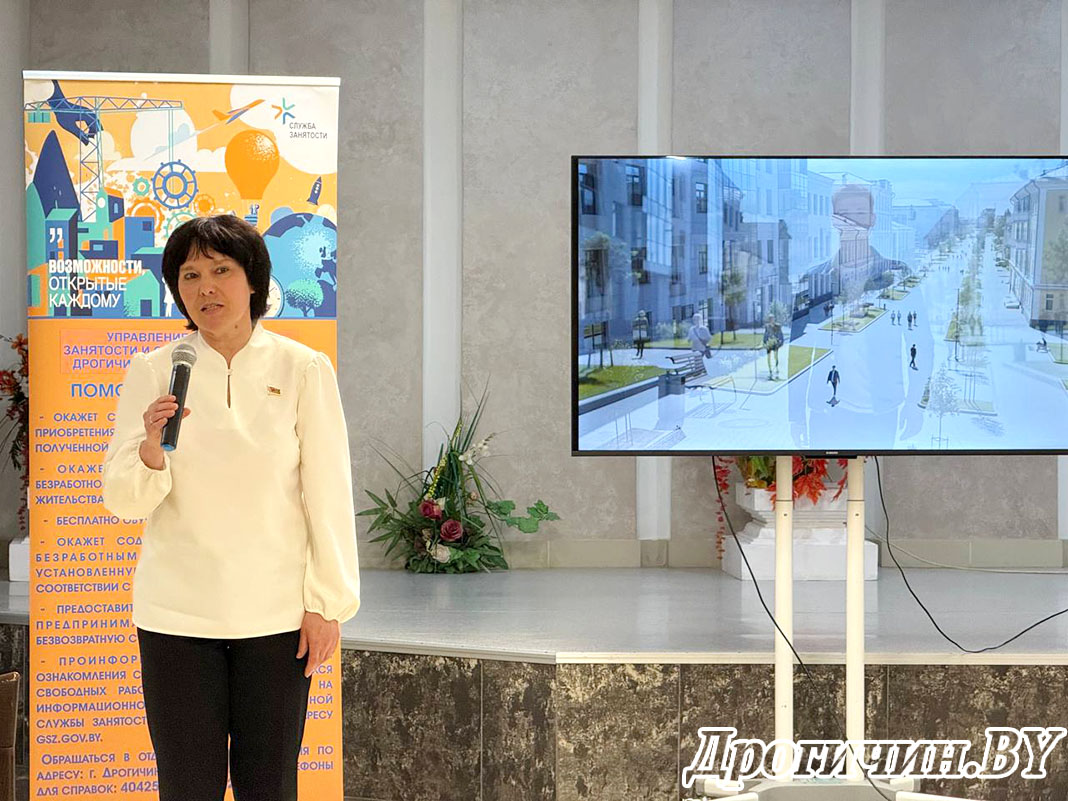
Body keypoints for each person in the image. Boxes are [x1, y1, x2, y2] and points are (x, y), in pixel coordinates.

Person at [102, 215, 360, 801]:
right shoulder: (154, 371)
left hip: (275, 616)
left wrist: (328, 603)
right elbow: (123, 501)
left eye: (221, 270)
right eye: (190, 275)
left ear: (254, 282)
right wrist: (150, 449)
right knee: (185, 785)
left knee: (269, 784)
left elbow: (328, 491)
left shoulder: (303, 368)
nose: (206, 288)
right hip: (175, 615)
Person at [762, 314, 784, 380]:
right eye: (770, 319)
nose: (771, 320)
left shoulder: (778, 326)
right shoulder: (767, 326)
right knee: (768, 357)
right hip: (769, 343)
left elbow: (780, 334)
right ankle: (770, 370)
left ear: (774, 319)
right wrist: (764, 342)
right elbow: (765, 335)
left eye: (772, 318)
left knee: (775, 356)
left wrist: (780, 342)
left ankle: (776, 368)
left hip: (775, 343)